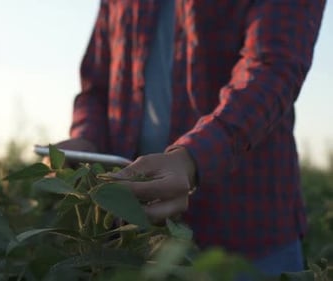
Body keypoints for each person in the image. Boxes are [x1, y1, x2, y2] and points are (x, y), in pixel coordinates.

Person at [52, 0, 326, 278]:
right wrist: (86, 141)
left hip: (245, 230)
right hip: (130, 235)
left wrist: (191, 158)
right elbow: (96, 86)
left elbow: (272, 68)